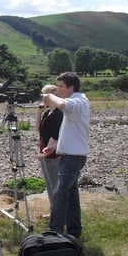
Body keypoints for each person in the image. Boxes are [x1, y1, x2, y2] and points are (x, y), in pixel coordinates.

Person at [42, 72, 90, 240]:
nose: (59, 90)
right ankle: (74, 231)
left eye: (61, 87)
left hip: (73, 158)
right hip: (70, 156)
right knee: (70, 194)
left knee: (59, 193)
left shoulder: (78, 101)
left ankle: (54, 232)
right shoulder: (77, 102)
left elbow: (62, 104)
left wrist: (48, 96)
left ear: (72, 87)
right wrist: (55, 146)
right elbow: (72, 131)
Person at [35, 84, 63, 217]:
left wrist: (45, 153)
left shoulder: (57, 114)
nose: (42, 97)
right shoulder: (48, 113)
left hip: (52, 156)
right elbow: (37, 129)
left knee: (54, 186)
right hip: (44, 153)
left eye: (44, 94)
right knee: (49, 186)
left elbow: (54, 137)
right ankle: (53, 211)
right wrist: (39, 112)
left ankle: (58, 213)